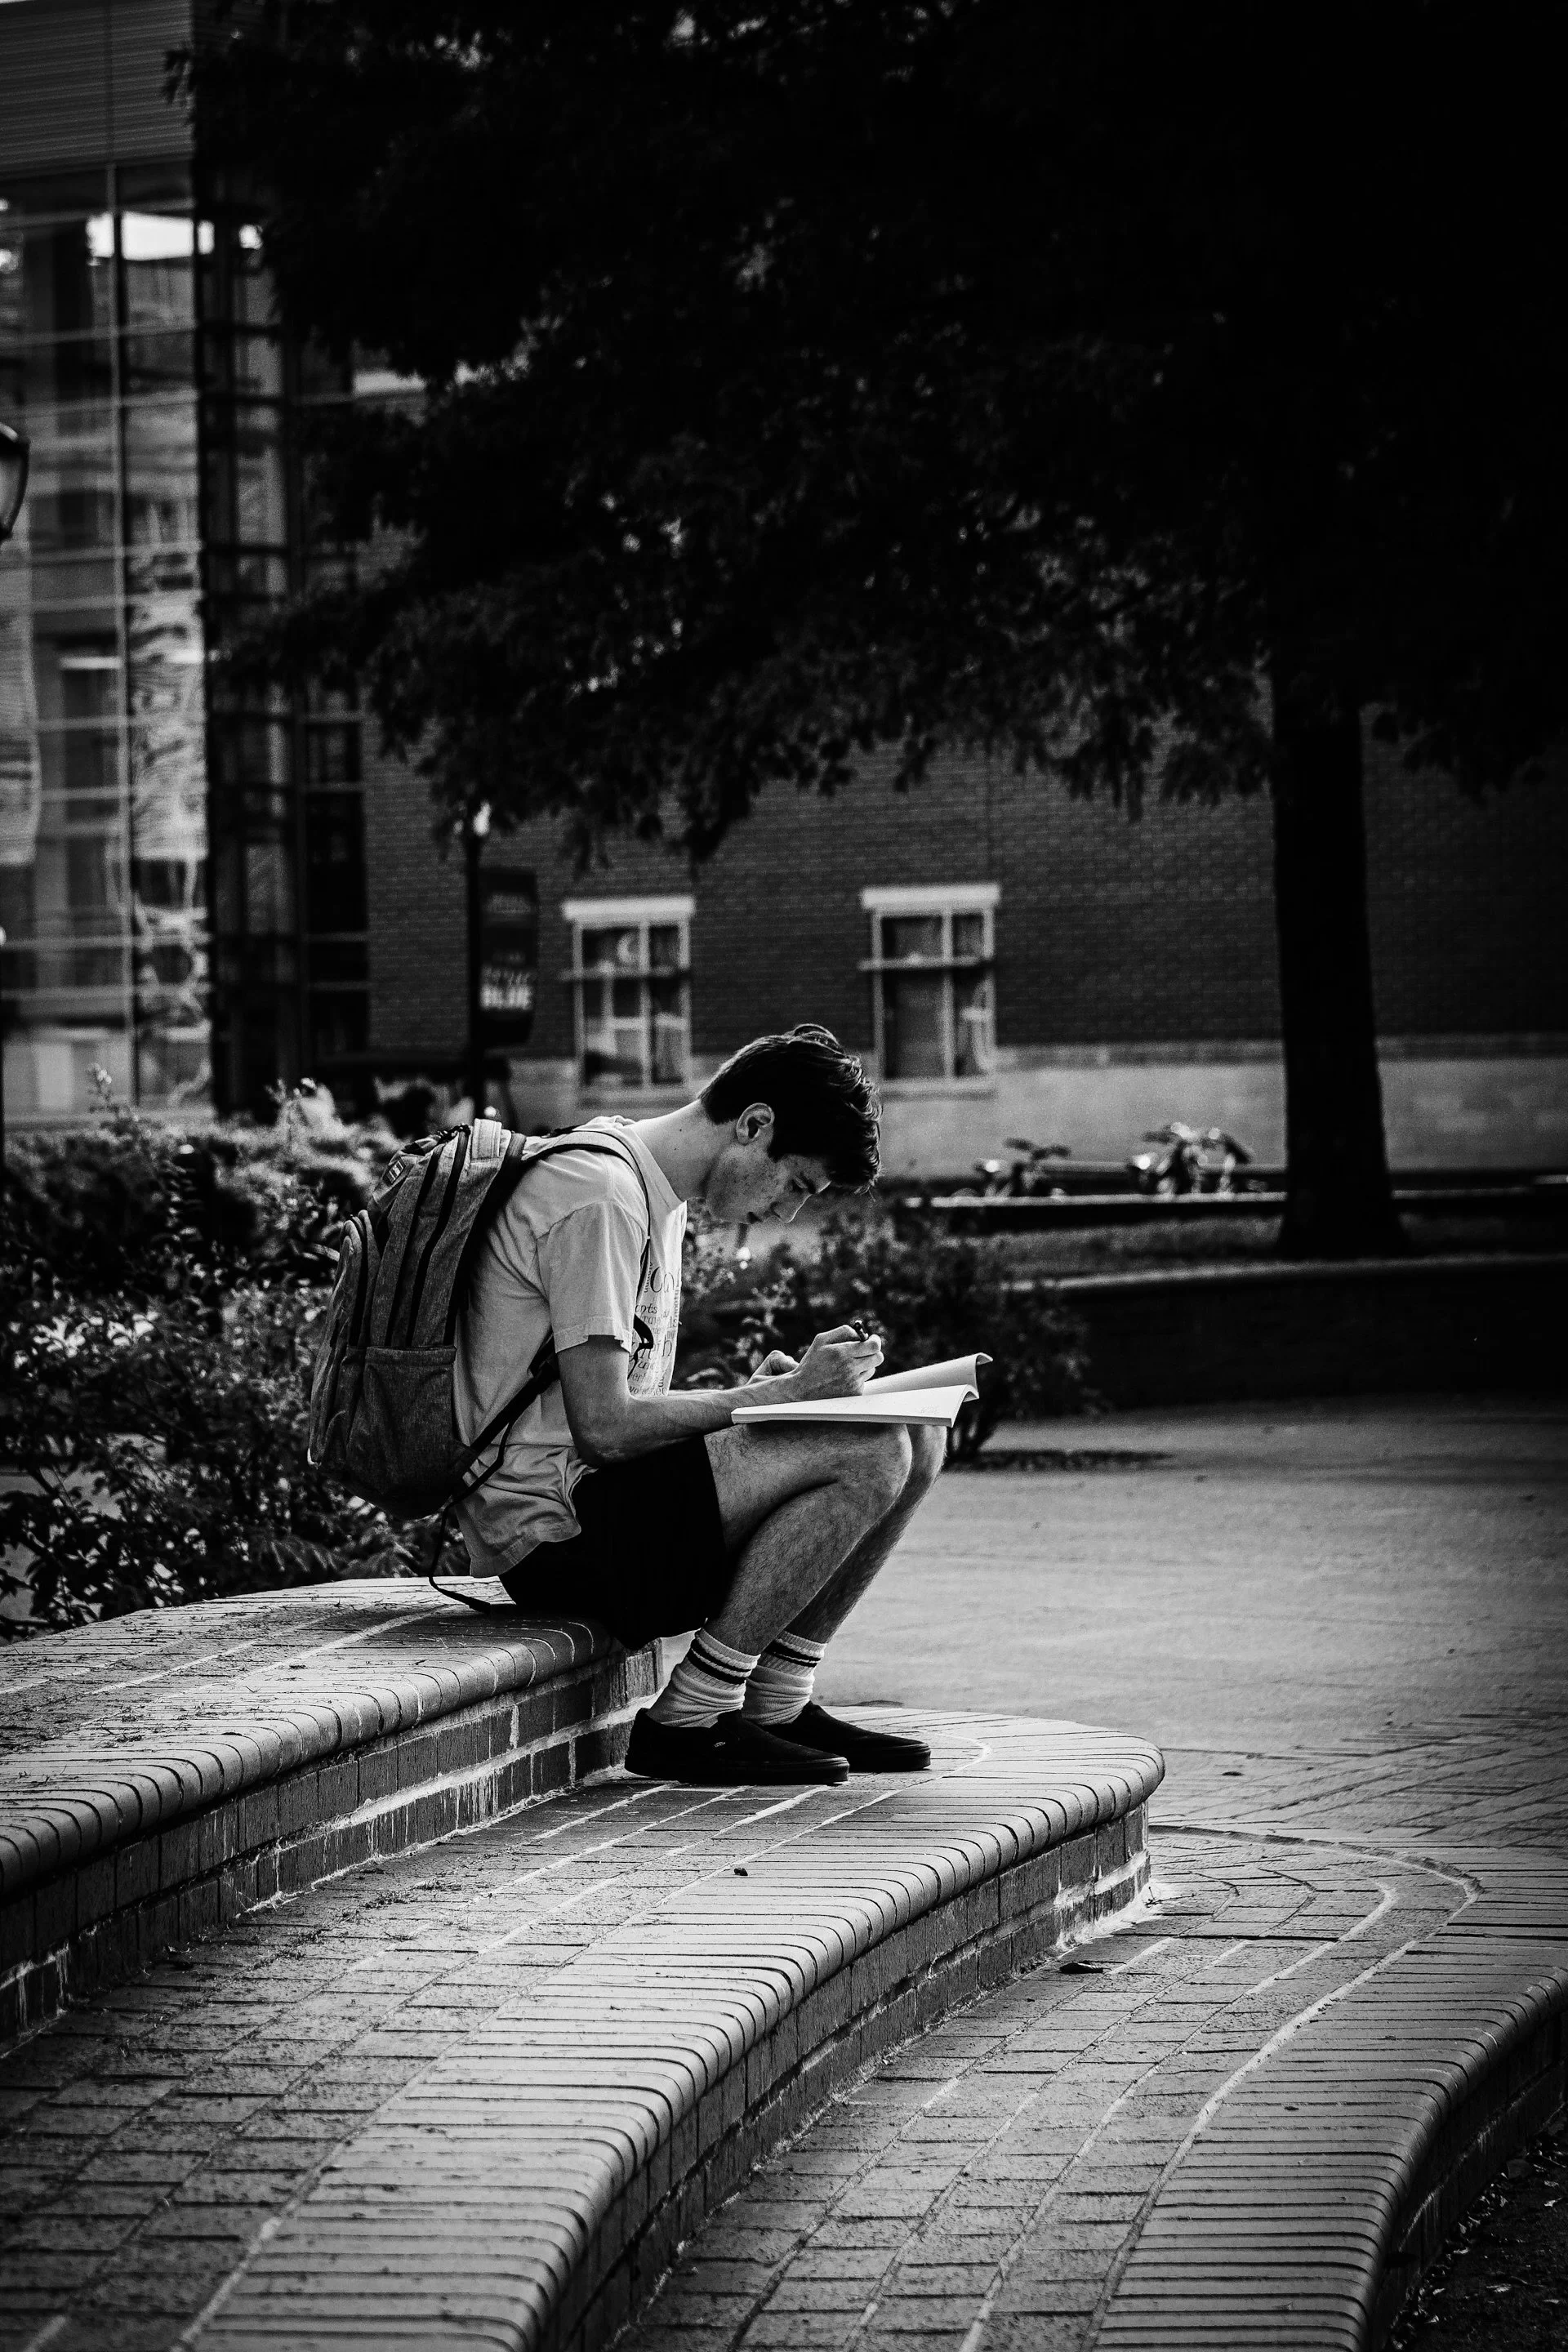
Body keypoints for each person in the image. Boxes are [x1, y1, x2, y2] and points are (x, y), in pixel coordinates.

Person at [453, 1025, 944, 1787]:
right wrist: (771, 1399)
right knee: (870, 1450)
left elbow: (616, 1409)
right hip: (556, 1542)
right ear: (754, 1125)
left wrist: (767, 1402)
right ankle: (690, 1720)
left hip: (606, 1505)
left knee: (917, 1431)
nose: (784, 1213)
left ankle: (774, 1702)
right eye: (796, 1185)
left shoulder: (651, 1192)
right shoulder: (600, 1198)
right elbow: (607, 1429)